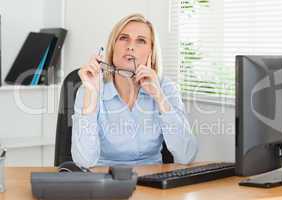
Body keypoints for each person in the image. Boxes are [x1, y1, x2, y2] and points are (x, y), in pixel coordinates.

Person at [71, 13, 198, 168]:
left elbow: (187, 155)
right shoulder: (89, 89)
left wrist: (159, 97)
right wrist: (91, 94)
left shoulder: (165, 87)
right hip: (104, 180)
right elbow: (84, 161)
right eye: (124, 38)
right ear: (113, 47)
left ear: (151, 53)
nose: (130, 46)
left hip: (153, 182)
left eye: (141, 41)